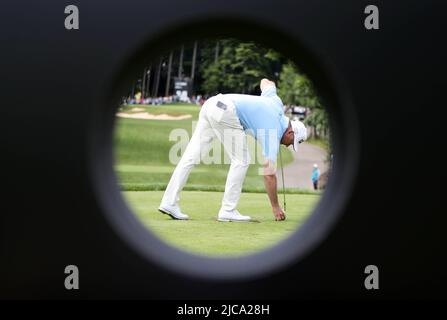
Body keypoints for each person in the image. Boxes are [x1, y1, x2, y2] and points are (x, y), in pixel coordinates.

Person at [158, 78, 307, 222]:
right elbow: (269, 174)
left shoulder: (276, 103)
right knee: (242, 160)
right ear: (290, 132)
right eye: (291, 142)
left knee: (190, 157)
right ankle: (228, 210)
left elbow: (266, 81)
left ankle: (169, 202)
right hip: (227, 111)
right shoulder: (273, 133)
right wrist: (276, 207)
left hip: (211, 104)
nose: (288, 146)